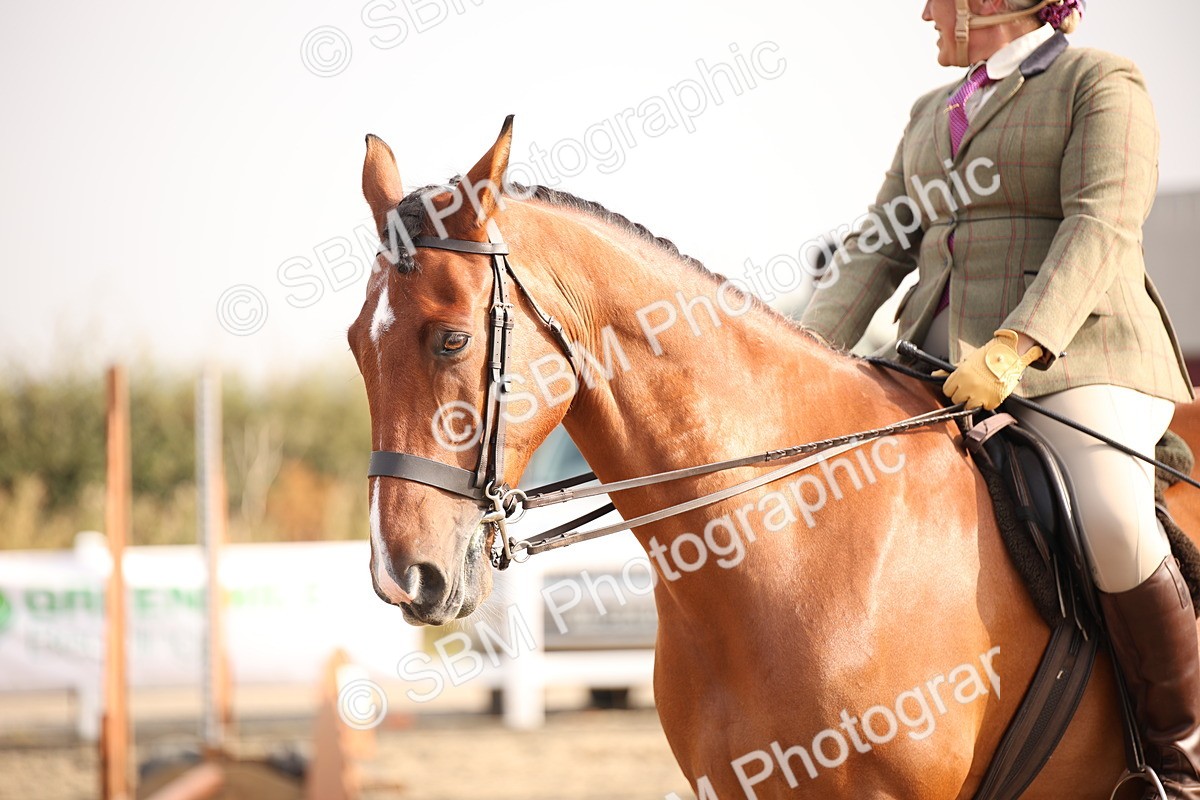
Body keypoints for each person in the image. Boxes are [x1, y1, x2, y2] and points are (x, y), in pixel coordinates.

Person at [801, 0, 1199, 795]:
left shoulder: (1100, 82)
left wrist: (1018, 344)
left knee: (1112, 516)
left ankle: (1179, 757)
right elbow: (878, 245)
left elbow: (1100, 227)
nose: (926, 14)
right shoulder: (931, 111)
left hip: (1080, 356)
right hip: (935, 361)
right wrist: (804, 359)